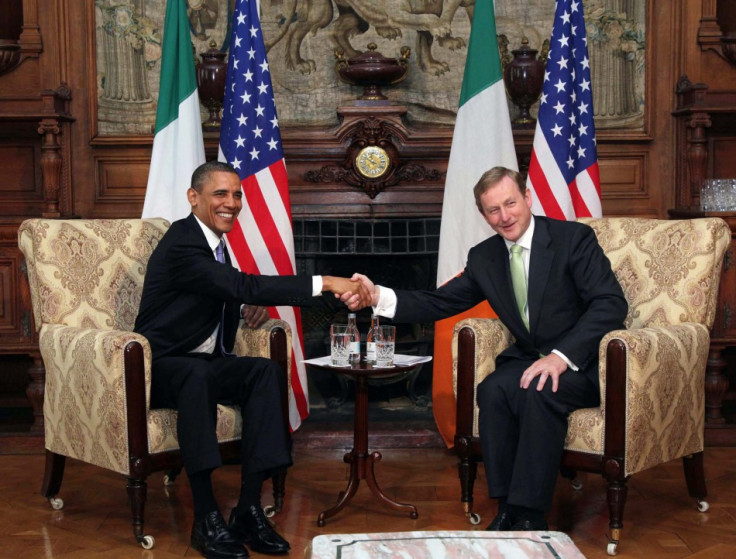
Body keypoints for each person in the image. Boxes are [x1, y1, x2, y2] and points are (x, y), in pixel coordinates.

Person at [343, 166, 628, 531]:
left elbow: (609, 304)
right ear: (483, 215)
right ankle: (507, 506)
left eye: (510, 203)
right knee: (491, 390)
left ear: (526, 198)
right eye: (493, 210)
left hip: (584, 363)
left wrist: (561, 358)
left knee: (539, 390)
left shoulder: (573, 238)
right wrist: (375, 294)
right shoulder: (485, 257)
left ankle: (531, 515)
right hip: (528, 359)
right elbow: (437, 302)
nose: (504, 216)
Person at [134, 161, 370, 559]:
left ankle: (248, 509)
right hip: (161, 366)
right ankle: (206, 518)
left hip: (205, 364)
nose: (232, 203)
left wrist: (245, 306)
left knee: (263, 372)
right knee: (196, 374)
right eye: (220, 194)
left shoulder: (215, 245)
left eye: (237, 194)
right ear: (194, 198)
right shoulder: (183, 240)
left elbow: (223, 290)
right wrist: (326, 283)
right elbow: (238, 283)